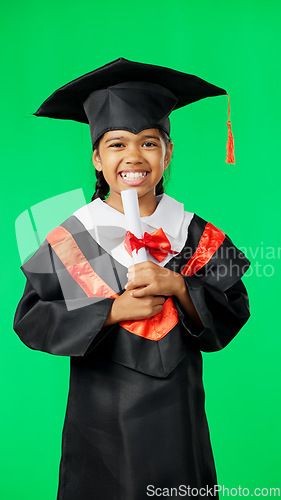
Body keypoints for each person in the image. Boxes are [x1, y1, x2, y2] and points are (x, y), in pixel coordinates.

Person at [13, 58, 251, 500]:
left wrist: (179, 287)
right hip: (100, 421)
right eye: (117, 144)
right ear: (98, 159)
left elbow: (234, 306)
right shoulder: (75, 236)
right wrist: (112, 310)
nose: (133, 157)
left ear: (168, 153)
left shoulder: (193, 232)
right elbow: (31, 318)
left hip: (179, 417)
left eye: (149, 143)